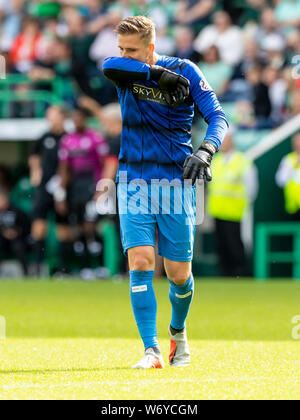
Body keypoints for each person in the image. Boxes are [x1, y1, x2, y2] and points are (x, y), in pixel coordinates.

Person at [102, 15, 228, 369]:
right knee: (140, 260)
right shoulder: (123, 69)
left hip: (175, 181)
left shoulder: (187, 71)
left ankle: (178, 332)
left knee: (178, 274)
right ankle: (151, 350)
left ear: (151, 47)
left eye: (133, 50)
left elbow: (218, 116)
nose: (124, 55)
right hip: (133, 180)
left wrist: (206, 151)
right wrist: (155, 76)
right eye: (121, 48)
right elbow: (108, 65)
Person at [55, 107, 113, 279]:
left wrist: (103, 189)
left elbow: (105, 164)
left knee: (92, 226)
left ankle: (101, 267)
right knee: (79, 227)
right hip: (76, 188)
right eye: (74, 119)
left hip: (92, 186)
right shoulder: (67, 140)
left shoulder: (95, 138)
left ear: (85, 120)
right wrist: (61, 193)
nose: (77, 122)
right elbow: (64, 168)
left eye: (79, 118)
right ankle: (85, 267)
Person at [207, 129, 258, 277]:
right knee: (221, 246)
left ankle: (240, 274)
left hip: (235, 212)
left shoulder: (242, 161)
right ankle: (225, 274)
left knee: (235, 245)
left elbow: (251, 188)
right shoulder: (215, 161)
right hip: (217, 211)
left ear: (231, 141)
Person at [29, 105, 70, 275]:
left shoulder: (69, 138)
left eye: (54, 115)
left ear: (62, 117)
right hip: (45, 186)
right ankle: (38, 269)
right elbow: (34, 155)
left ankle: (63, 269)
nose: (51, 119)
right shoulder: (44, 137)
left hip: (63, 186)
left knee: (64, 228)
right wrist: (35, 171)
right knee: (39, 225)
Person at [0, 189, 30, 276]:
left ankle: (26, 273)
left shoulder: (17, 211)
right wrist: (3, 231)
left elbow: (26, 227)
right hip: (2, 239)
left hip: (17, 239)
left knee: (19, 246)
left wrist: (16, 231)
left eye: (2, 199)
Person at [275, 132, 300, 220]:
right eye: (296, 142)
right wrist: (292, 168)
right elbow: (280, 181)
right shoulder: (288, 160)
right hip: (293, 207)